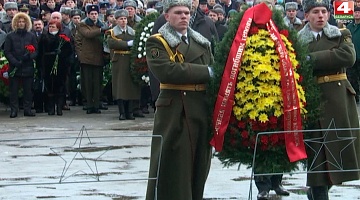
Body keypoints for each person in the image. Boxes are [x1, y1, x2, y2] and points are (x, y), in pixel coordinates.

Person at [145, 0, 214, 198]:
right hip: (175, 110)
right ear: (167, 16)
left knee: (198, 165)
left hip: (200, 108)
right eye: (178, 12)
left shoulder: (201, 42)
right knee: (172, 165)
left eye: (187, 12)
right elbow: (168, 71)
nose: (184, 16)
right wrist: (207, 72)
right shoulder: (158, 41)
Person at [298, 0, 360, 199]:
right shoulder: (298, 39)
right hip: (313, 99)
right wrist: (328, 57)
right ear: (307, 15)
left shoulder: (340, 33)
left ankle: (323, 187)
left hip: (339, 100)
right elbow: (296, 62)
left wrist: (312, 59)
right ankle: (318, 190)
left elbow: (348, 57)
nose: (321, 16)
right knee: (316, 152)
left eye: (324, 11)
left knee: (339, 151)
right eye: (315, 12)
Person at [106, 9, 140, 120]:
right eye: (121, 19)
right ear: (116, 20)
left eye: (125, 19)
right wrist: (126, 44)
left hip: (130, 60)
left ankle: (129, 112)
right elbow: (111, 43)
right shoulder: (112, 32)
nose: (123, 21)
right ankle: (122, 112)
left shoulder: (132, 31)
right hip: (119, 61)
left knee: (130, 87)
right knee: (120, 87)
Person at [74, 4, 108, 114]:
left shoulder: (100, 25)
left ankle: (96, 104)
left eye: (96, 14)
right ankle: (89, 105)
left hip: (98, 57)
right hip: (87, 58)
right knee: (87, 83)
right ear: (87, 14)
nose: (94, 16)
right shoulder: (82, 25)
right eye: (92, 14)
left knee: (97, 83)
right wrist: (101, 30)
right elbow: (88, 34)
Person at [4, 12, 38, 118]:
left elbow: (35, 51)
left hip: (27, 66)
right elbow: (7, 51)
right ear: (15, 23)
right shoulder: (10, 36)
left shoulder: (31, 36)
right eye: (19, 21)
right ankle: (14, 110)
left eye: (23, 21)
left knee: (28, 90)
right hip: (15, 66)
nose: (21, 23)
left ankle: (27, 109)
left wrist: (28, 57)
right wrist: (14, 62)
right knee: (13, 90)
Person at [38, 20, 72, 116]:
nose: (51, 28)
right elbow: (40, 52)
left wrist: (61, 54)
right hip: (47, 64)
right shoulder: (44, 38)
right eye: (50, 27)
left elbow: (69, 51)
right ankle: (51, 108)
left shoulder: (63, 38)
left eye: (53, 27)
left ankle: (59, 108)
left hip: (60, 65)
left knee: (60, 86)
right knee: (49, 87)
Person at [346, 7, 360, 103]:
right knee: (352, 77)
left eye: (359, 12)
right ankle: (356, 96)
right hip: (352, 56)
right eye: (355, 12)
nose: (357, 14)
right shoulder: (349, 27)